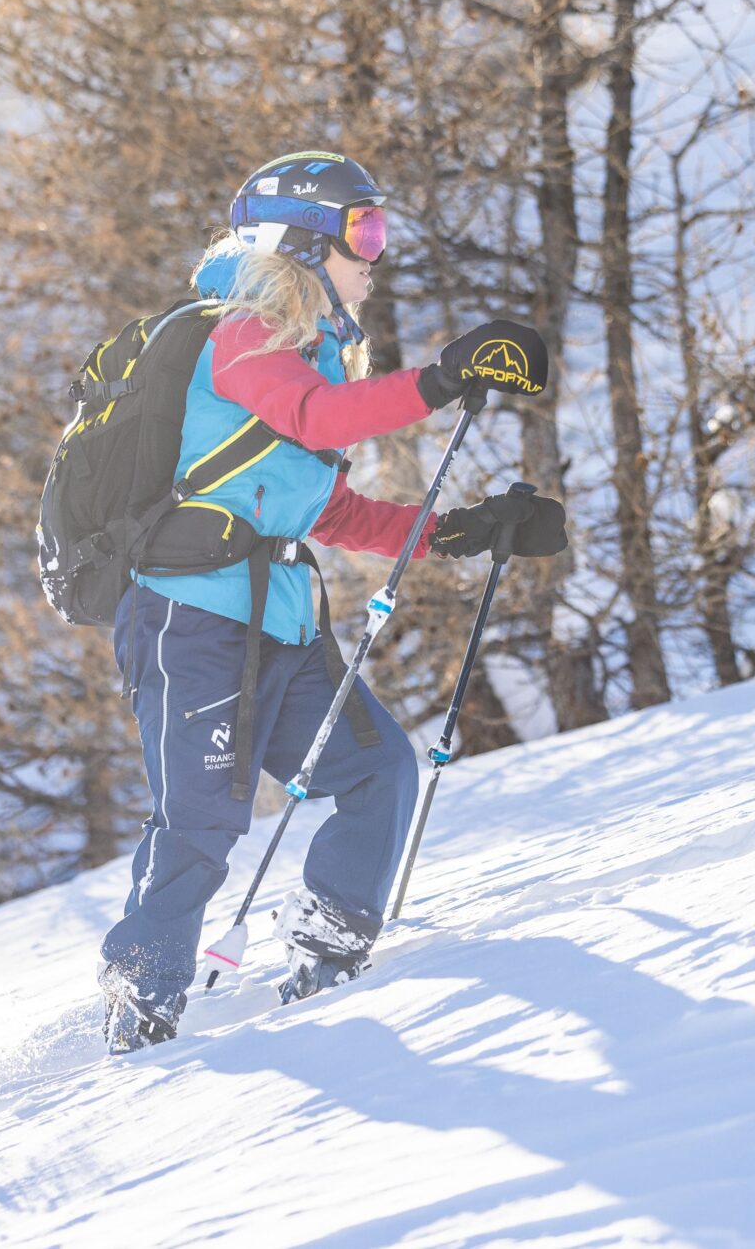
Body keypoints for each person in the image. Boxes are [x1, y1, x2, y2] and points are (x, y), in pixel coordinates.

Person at [98, 150, 565, 1054]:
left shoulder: (311, 353)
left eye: (379, 228)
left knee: (379, 768)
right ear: (302, 240)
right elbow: (318, 421)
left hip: (278, 623)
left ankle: (328, 947)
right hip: (188, 624)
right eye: (364, 228)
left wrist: (459, 531)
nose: (375, 252)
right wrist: (439, 380)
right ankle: (140, 1000)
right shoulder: (239, 334)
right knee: (201, 819)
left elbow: (330, 506)